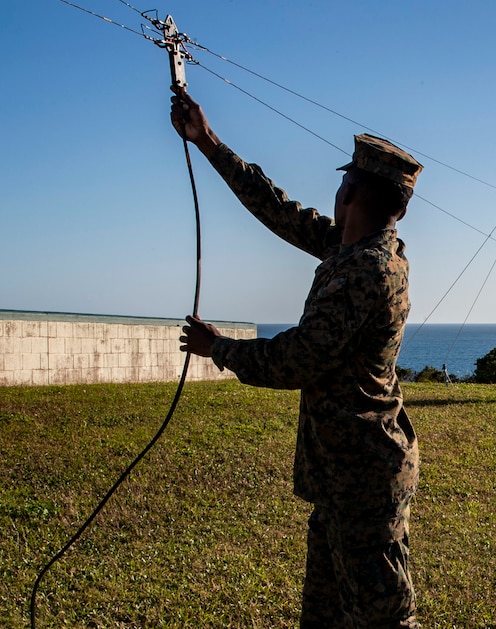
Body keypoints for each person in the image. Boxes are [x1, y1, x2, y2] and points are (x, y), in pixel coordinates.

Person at [170, 86, 423, 629]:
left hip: (363, 475)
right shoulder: (353, 247)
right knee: (327, 614)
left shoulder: (367, 271)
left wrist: (220, 348)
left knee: (380, 618)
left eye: (341, 182)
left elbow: (298, 359)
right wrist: (207, 141)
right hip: (343, 474)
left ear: (351, 191)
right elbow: (277, 209)